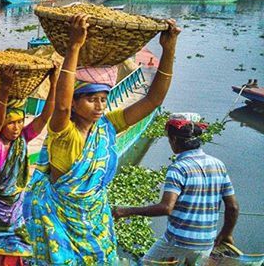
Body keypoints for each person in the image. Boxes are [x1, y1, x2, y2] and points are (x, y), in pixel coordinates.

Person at [24, 14, 180, 264]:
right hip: (59, 221)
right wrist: (74, 47)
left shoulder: (107, 126)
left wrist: (169, 50)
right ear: (74, 103)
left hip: (96, 220)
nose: (99, 106)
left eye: (103, 99)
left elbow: (153, 100)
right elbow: (61, 108)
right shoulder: (63, 131)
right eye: (91, 99)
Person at [113, 113, 239, 265]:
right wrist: (227, 233)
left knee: (144, 264)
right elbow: (232, 207)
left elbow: (166, 208)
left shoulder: (178, 168)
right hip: (206, 242)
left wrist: (125, 211)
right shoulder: (218, 165)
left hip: (178, 241)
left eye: (169, 139)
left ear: (173, 140)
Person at [0, 65, 58, 266]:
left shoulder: (22, 140)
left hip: (13, 212)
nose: (17, 127)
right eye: (11, 122)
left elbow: (44, 117)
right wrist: (4, 90)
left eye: (20, 121)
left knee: (16, 253)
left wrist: (53, 84)